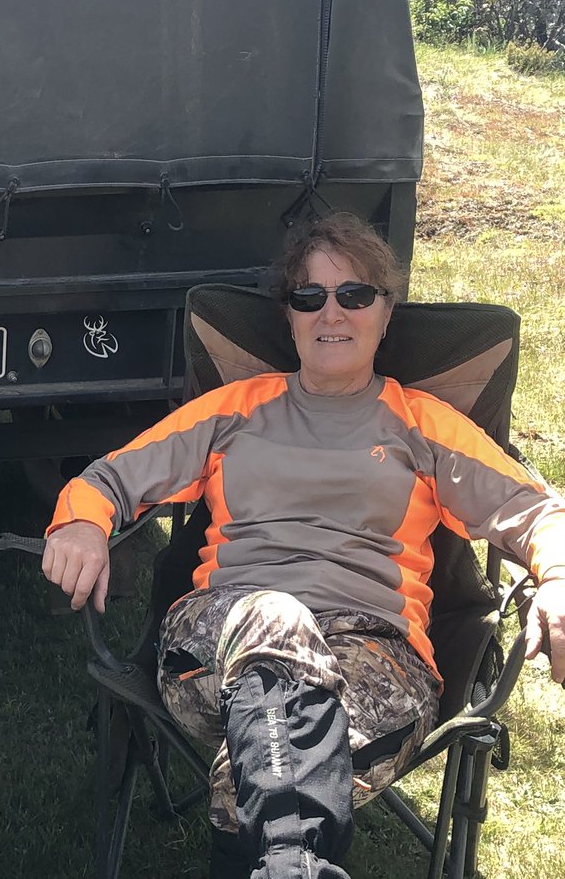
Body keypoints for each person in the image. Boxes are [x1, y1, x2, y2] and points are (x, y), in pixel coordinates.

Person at [40, 213, 565, 878]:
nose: (331, 313)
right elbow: (113, 476)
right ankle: (294, 854)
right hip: (220, 644)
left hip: (375, 661)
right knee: (274, 620)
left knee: (268, 755)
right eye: (309, 297)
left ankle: (281, 858)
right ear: (288, 316)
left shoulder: (423, 426)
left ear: (385, 310)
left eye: (354, 294)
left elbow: (536, 510)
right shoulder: (236, 407)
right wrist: (82, 523)